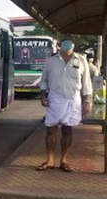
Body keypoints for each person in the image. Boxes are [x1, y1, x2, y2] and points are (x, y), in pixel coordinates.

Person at [37, 35, 92, 172]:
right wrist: (43, 96)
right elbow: (44, 80)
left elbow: (86, 83)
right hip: (55, 99)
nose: (67, 44)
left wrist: (88, 101)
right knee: (51, 129)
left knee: (67, 130)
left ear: (74, 45)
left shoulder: (81, 60)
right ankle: (49, 160)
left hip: (73, 100)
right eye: (64, 42)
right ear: (60, 44)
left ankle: (64, 160)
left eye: (70, 42)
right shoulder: (51, 61)